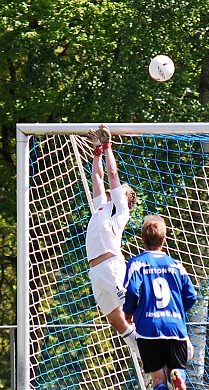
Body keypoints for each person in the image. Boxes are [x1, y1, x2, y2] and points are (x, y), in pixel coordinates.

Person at [123, 215, 198, 390]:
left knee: (157, 380)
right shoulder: (176, 265)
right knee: (177, 368)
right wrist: (177, 311)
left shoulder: (136, 263)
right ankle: (178, 376)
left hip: (149, 328)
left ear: (142, 238)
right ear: (164, 239)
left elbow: (133, 291)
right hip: (175, 327)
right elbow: (191, 295)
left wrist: (129, 312)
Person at [85, 124, 140, 357]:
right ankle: (141, 349)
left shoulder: (120, 210)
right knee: (114, 318)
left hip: (111, 266)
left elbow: (112, 174)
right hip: (96, 271)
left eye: (119, 190)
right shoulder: (101, 206)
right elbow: (97, 177)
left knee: (131, 312)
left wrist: (108, 147)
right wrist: (97, 150)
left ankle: (156, 347)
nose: (110, 189)